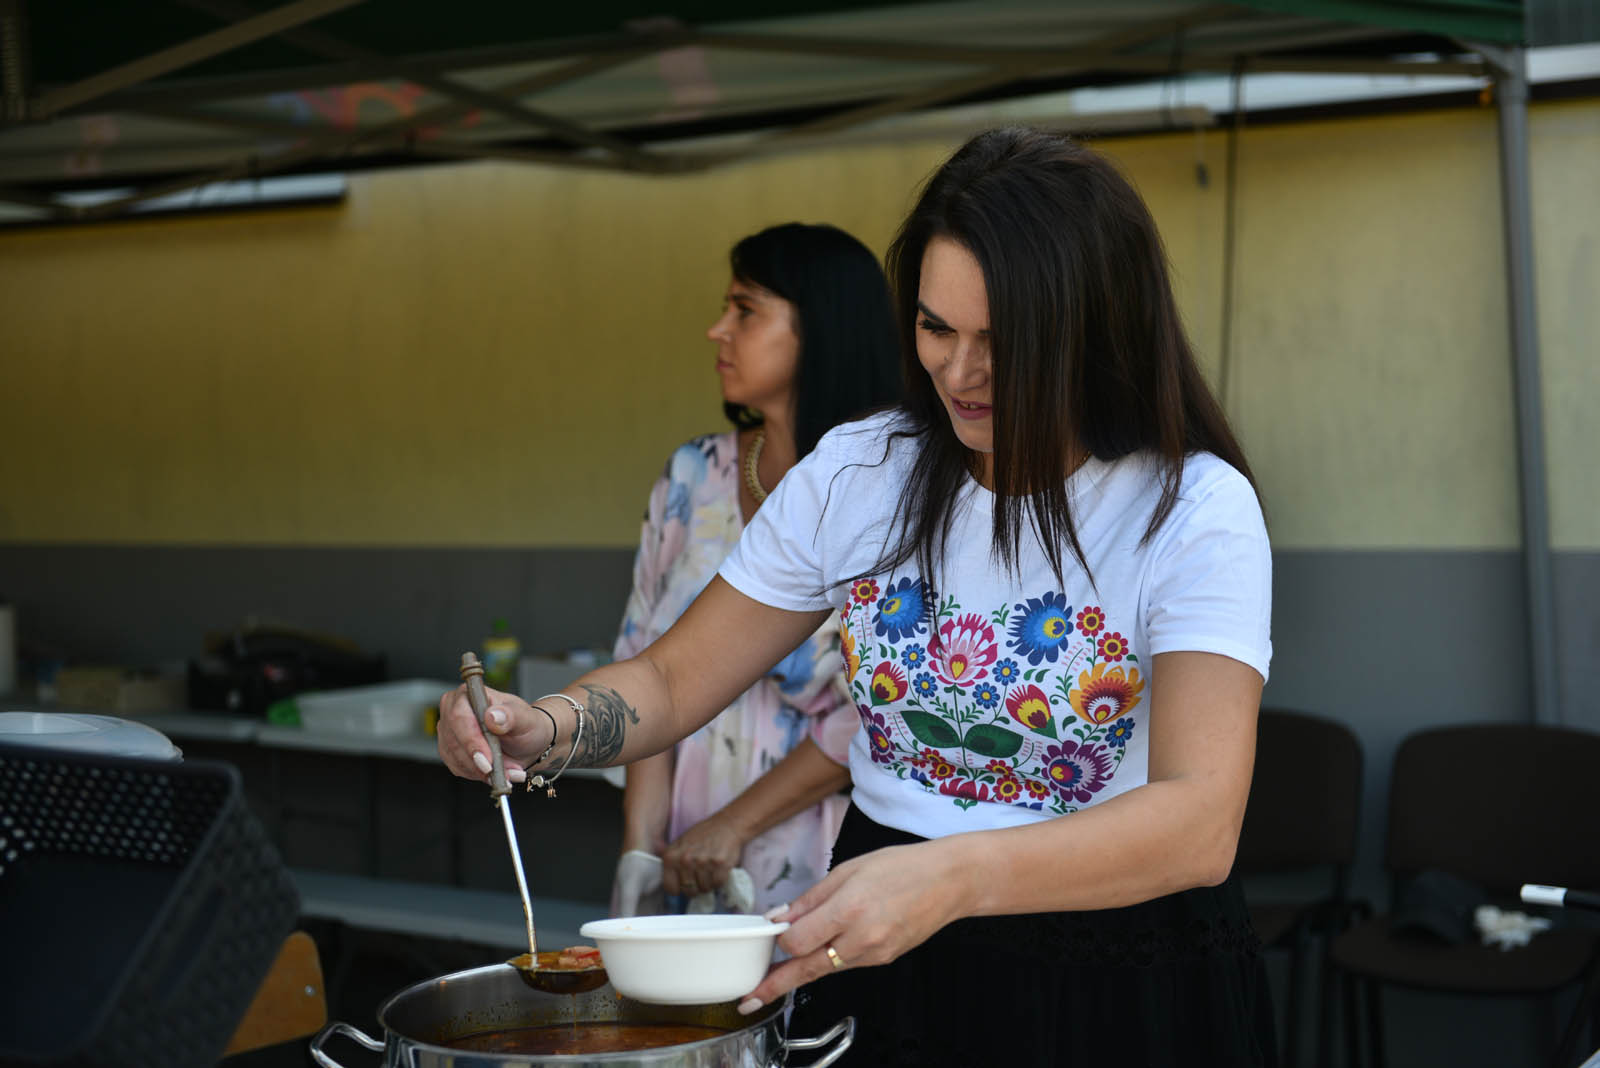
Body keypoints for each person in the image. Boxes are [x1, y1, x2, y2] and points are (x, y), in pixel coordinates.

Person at [438, 128, 1276, 1066]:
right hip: (884, 950)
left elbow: (1200, 822)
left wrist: (952, 878)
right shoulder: (865, 471)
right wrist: (538, 726)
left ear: (1095, 326)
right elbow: (674, 683)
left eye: (1001, 342)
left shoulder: (1191, 506)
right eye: (934, 328)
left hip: (1119, 971)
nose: (958, 374)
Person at [611, 222, 902, 917]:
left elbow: (877, 714)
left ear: (822, 331)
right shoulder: (693, 476)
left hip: (819, 859)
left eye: (746, 311)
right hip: (680, 859)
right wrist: (639, 853)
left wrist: (734, 825)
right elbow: (645, 669)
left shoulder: (887, 492)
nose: (718, 330)